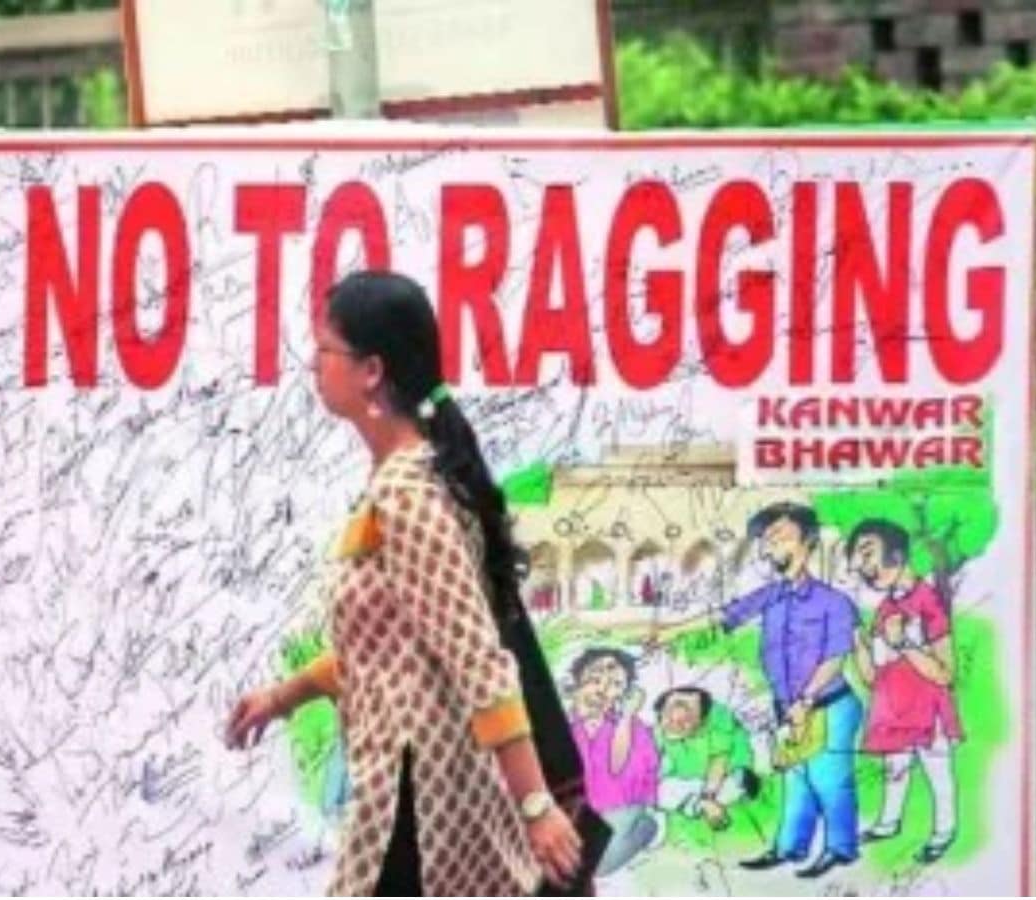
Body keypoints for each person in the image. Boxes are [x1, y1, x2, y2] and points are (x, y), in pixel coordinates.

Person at [223, 270, 584, 896]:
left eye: (325, 349)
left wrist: (536, 807)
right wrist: (284, 697)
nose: (313, 365)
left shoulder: (408, 497)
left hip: (423, 805)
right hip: (411, 794)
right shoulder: (404, 482)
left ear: (371, 371)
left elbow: (478, 660)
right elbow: (387, 652)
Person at [647, 502, 862, 880]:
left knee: (829, 780)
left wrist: (807, 700)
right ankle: (790, 847)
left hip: (828, 705)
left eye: (780, 536)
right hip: (788, 708)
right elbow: (723, 615)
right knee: (796, 779)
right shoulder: (772, 594)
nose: (769, 545)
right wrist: (668, 632)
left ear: (808, 541)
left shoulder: (834, 602)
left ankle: (841, 849)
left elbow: (835, 657)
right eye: (766, 539)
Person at [847, 518, 962, 864]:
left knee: (937, 774)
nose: (862, 566)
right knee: (894, 771)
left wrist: (904, 644)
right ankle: (888, 823)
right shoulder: (885, 608)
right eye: (857, 559)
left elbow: (945, 673)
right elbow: (873, 677)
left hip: (928, 711)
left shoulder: (929, 600)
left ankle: (943, 832)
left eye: (867, 553)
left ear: (897, 554)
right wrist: (858, 644)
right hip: (893, 710)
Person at [564, 648, 660, 874]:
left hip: (620, 807)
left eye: (616, 684)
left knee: (599, 865)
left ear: (624, 693)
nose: (604, 688)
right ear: (578, 682)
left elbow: (618, 767)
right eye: (596, 678)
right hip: (573, 809)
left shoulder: (632, 727)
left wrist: (626, 718)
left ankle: (647, 827)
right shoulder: (564, 723)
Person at [651, 686, 760, 830]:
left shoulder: (719, 717)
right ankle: (700, 805)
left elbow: (720, 760)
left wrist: (708, 796)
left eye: (686, 720)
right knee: (658, 790)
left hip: (723, 778)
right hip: (688, 781)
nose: (676, 723)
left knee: (737, 783)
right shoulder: (658, 728)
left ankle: (701, 804)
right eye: (669, 717)